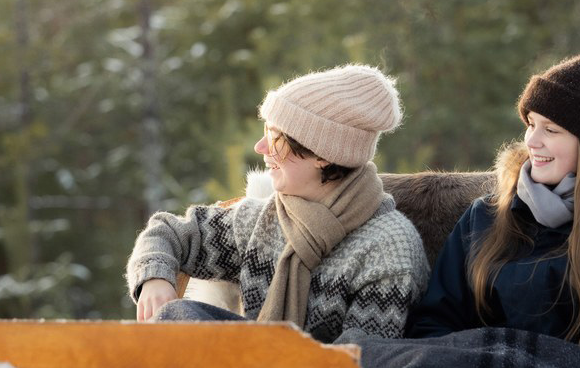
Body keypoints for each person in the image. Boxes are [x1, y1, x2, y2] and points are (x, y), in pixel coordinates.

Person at [407, 46, 580, 368]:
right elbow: (431, 326)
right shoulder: (485, 219)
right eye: (531, 124)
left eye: (551, 130)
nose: (532, 141)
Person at [127, 64, 430, 343]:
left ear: (322, 155)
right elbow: (168, 233)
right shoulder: (264, 219)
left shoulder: (388, 250)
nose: (260, 148)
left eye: (275, 138)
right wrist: (155, 278)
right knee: (182, 315)